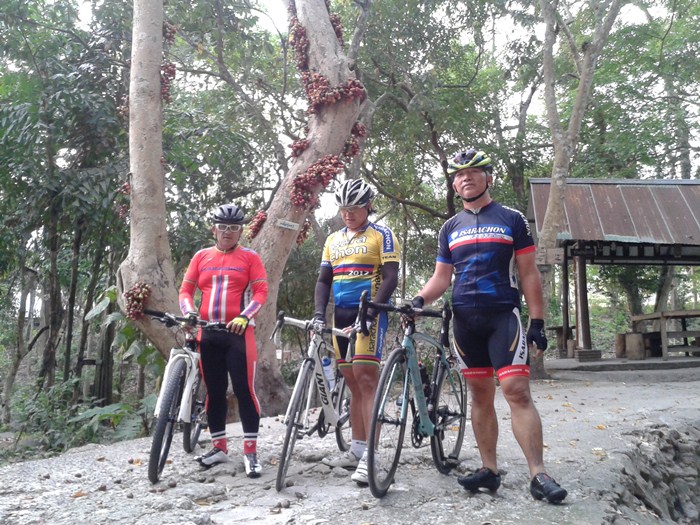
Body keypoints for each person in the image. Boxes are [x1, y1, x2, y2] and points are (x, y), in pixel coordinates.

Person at [411, 149, 567, 504]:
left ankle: (538, 474)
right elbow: (441, 278)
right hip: (465, 320)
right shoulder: (450, 227)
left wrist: (537, 321)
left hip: (502, 316)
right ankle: (489, 469)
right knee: (480, 395)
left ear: (489, 178)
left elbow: (529, 273)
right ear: (454, 185)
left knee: (516, 390)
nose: (466, 177)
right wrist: (420, 299)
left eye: (474, 171)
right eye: (459, 174)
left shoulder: (512, 219)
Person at [314, 179, 400, 485]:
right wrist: (318, 314)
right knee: (351, 382)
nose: (348, 214)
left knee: (366, 379)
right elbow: (324, 280)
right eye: (343, 208)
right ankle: (357, 448)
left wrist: (372, 312)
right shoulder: (332, 239)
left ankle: (372, 457)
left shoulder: (382, 235)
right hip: (341, 315)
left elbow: (391, 277)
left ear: (368, 207)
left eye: (354, 208)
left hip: (369, 313)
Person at [178, 203, 268, 478]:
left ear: (241, 231)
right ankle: (219, 447)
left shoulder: (250, 257)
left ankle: (250, 452)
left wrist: (244, 316)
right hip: (208, 333)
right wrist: (189, 312)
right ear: (214, 229)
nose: (228, 232)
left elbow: (261, 292)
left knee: (244, 390)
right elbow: (185, 291)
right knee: (214, 392)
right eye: (223, 227)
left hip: (239, 335)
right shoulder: (201, 256)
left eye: (234, 227)